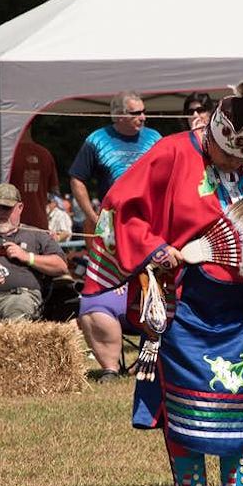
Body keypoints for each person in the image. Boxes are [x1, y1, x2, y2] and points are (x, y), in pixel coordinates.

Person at [81, 95, 243, 486]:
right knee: (186, 390)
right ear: (213, 136)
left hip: (238, 302)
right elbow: (121, 207)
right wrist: (154, 249)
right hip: (183, 298)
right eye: (227, 155)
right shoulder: (171, 152)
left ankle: (238, 484)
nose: (235, 166)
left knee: (237, 389)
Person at [70, 90, 161, 382]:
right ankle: (110, 367)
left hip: (151, 227)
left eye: (143, 111)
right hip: (112, 230)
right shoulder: (96, 140)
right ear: (118, 115)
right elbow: (77, 178)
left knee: (156, 289)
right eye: (136, 113)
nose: (142, 117)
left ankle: (153, 356)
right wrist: (92, 216)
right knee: (100, 294)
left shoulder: (155, 139)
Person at [0, 184, 67, 322]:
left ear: (20, 208)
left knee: (16, 315)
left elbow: (61, 266)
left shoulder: (36, 234)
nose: (0, 213)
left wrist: (27, 257)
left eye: (6, 208)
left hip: (17, 297)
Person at [8, 125, 60, 229]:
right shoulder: (45, 154)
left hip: (12, 226)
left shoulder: (7, 156)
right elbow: (55, 191)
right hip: (40, 224)